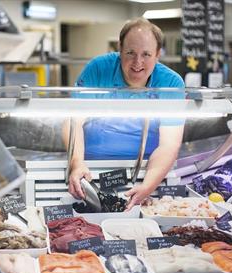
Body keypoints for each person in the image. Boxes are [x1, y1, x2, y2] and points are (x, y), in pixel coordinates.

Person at [62, 17, 185, 210]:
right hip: (89, 173)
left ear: (158, 54)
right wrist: (77, 163)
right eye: (130, 53)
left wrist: (148, 185)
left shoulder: (171, 83)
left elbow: (169, 145)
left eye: (146, 54)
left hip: (149, 173)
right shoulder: (98, 68)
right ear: (119, 48)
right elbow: (73, 121)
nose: (138, 62)